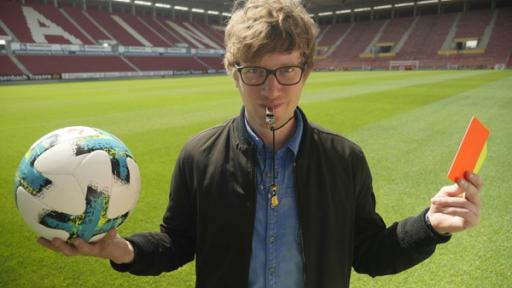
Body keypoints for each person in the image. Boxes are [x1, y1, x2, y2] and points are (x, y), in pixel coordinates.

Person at [38, 0, 483, 287]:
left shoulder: (345, 158)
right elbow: (177, 243)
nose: (272, 90)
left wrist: (429, 225)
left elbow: (367, 252)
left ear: (306, 71)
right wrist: (121, 249)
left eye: (287, 70)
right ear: (234, 73)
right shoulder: (199, 155)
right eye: (255, 72)